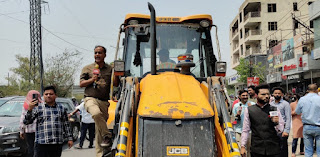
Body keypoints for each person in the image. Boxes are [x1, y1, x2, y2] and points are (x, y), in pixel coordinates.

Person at [80, 45, 119, 157]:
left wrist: (116, 73)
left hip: (104, 102)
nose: (97, 55)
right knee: (96, 113)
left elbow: (115, 84)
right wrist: (92, 79)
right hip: (90, 99)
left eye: (100, 53)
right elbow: (81, 84)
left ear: (105, 55)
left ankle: (100, 154)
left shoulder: (110, 69)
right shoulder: (87, 68)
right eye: (96, 52)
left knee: (98, 134)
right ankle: (108, 135)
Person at [24, 86, 73, 157]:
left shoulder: (61, 108)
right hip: (42, 143)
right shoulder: (38, 108)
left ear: (55, 95)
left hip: (56, 143)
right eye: (46, 94)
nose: (48, 96)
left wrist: (70, 139)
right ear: (43, 96)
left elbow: (66, 124)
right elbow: (27, 122)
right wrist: (30, 110)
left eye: (51, 94)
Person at [241, 83, 284, 157]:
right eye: (263, 94)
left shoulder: (274, 109)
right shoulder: (249, 110)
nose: (266, 96)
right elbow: (245, 130)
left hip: (273, 148)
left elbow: (280, 130)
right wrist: (242, 146)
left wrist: (276, 123)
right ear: (256, 95)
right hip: (257, 148)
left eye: (268, 94)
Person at [295, 84, 320, 157]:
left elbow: (297, 112)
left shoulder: (302, 99)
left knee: (308, 150)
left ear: (308, 90)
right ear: (316, 90)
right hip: (318, 126)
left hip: (307, 126)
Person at [270, 87, 291, 157]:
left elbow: (288, 118)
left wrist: (286, 131)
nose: (277, 95)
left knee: (283, 150)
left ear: (282, 94)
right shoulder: (271, 104)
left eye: (279, 93)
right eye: (275, 93)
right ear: (273, 94)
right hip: (273, 130)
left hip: (282, 130)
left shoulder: (285, 104)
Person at [20, 90, 42, 157]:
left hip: (34, 132)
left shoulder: (41, 105)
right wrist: (21, 130)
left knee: (32, 150)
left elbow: (22, 119)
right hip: (36, 132)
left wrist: (21, 131)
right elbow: (23, 119)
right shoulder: (42, 104)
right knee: (35, 150)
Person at [232, 90, 255, 156]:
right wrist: (237, 115)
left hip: (249, 131)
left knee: (249, 149)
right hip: (239, 131)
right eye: (243, 95)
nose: (245, 97)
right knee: (241, 150)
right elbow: (233, 119)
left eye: (246, 95)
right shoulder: (236, 106)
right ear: (239, 96)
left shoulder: (252, 105)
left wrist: (251, 109)